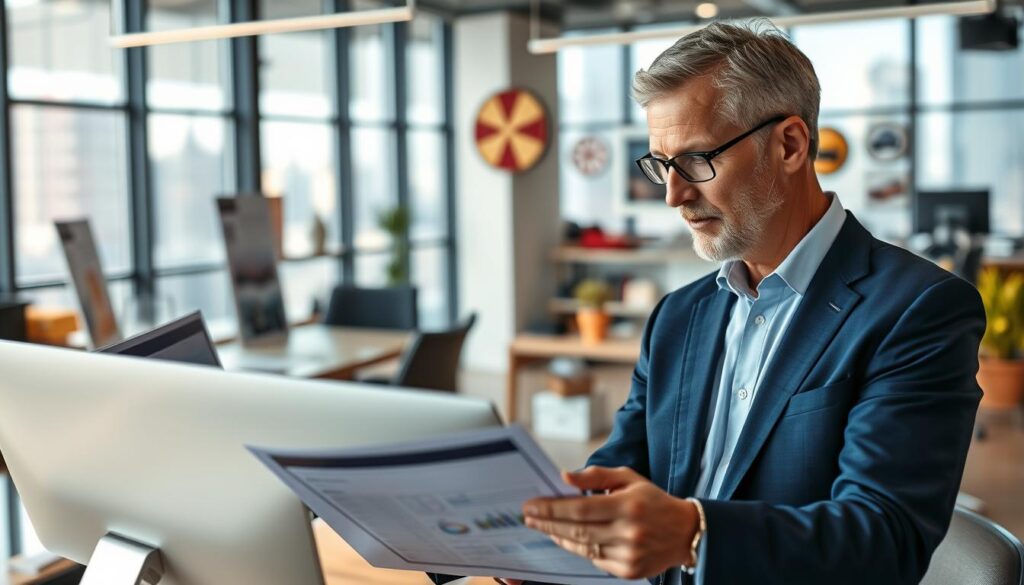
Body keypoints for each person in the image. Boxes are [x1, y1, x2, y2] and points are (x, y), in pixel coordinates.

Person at [435, 20, 985, 585]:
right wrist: (537, 535)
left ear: (790, 144)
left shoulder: (919, 310)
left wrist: (694, 535)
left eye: (697, 160)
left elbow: (884, 541)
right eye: (661, 165)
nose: (674, 194)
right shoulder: (678, 315)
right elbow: (623, 467)